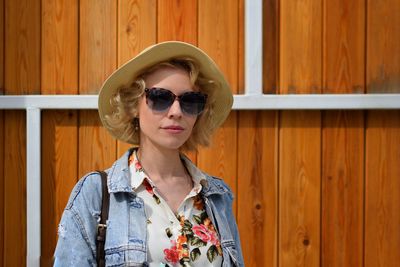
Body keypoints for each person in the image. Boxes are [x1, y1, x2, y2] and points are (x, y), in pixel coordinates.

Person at [54, 41, 244, 266]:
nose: (176, 112)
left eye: (190, 101)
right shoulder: (96, 193)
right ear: (134, 105)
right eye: (160, 98)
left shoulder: (216, 196)